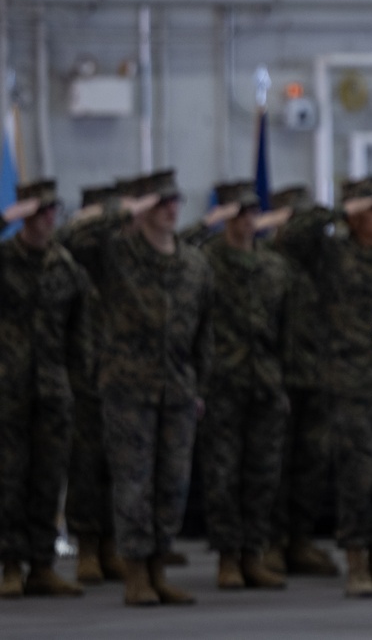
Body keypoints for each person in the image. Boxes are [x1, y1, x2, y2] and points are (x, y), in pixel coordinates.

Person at [61, 169, 213, 606]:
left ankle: (158, 568)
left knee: (173, 486)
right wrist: (124, 208)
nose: (169, 208)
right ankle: (135, 575)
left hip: (179, 392)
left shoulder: (194, 264)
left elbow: (204, 333)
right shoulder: (116, 255)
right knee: (133, 485)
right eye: (158, 201)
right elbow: (72, 239)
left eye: (173, 200)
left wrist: (199, 387)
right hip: (128, 390)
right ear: (142, 207)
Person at [278, 176, 372, 597]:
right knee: (356, 475)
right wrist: (341, 211)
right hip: (347, 381)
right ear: (354, 216)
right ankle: (356, 561)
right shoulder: (330, 254)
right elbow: (289, 238)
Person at [187, 181, 290, 590]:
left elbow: (285, 330)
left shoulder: (273, 266)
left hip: (264, 382)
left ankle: (253, 553)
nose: (246, 220)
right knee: (222, 475)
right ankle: (228, 557)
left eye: (251, 212)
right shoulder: (205, 261)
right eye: (237, 212)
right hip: (222, 382)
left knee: (262, 474)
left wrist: (284, 383)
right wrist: (205, 222)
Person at [0, 180, 90, 599]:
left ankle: (41, 564)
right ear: (25, 214)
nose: (49, 218)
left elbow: (78, 337)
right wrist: (6, 218)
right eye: (40, 210)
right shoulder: (5, 260)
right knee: (8, 479)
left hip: (53, 391)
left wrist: (77, 386)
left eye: (53, 210)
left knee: (47, 478)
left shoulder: (66, 268)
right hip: (8, 388)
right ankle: (9, 566)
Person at [262, 185, 340, 577]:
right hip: (277, 377)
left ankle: (299, 540)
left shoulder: (322, 261)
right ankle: (271, 543)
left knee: (312, 463)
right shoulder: (271, 260)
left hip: (316, 375)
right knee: (276, 465)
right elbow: (296, 232)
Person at [62, 184, 126, 585]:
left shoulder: (126, 261)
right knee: (86, 464)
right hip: (83, 373)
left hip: (124, 373)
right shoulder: (71, 257)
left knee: (119, 465)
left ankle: (112, 544)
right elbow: (64, 238)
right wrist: (91, 220)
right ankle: (86, 544)